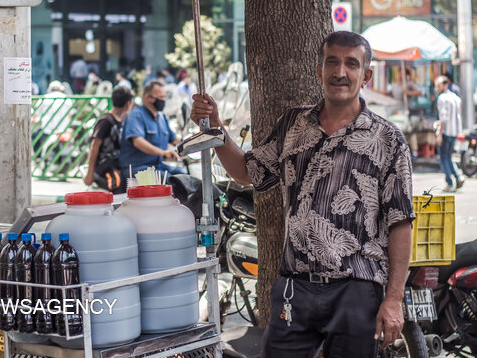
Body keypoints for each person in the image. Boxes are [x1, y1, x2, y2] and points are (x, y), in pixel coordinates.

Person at [191, 31, 414, 358]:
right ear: (319, 70)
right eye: (332, 62)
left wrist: (394, 299)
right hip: (295, 286)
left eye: (351, 64)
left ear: (365, 75)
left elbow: (401, 224)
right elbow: (246, 171)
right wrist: (216, 127)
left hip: (357, 289)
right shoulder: (293, 124)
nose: (340, 72)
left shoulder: (388, 139)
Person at [120, 80, 185, 179]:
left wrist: (192, 143)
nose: (163, 101)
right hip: (137, 168)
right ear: (147, 97)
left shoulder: (161, 117)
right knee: (169, 180)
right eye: (160, 98)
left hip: (157, 166)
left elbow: (174, 139)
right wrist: (163, 153)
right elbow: (137, 141)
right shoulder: (136, 115)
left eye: (164, 97)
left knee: (183, 175)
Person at [84, 86, 134, 193]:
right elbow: (94, 145)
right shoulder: (106, 120)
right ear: (128, 104)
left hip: (117, 165)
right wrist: (90, 172)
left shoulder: (122, 121)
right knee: (117, 185)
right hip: (104, 167)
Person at [434, 75, 465, 192]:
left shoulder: (442, 98)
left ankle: (450, 182)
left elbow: (444, 118)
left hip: (446, 132)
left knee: (443, 158)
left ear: (445, 85)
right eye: (436, 86)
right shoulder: (456, 98)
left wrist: (440, 134)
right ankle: (458, 176)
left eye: (439, 85)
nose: (437, 88)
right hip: (454, 132)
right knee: (448, 156)